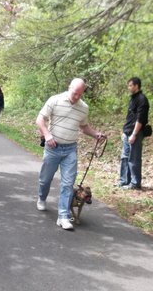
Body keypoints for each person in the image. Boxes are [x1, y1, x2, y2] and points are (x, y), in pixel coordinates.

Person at [36, 78, 106, 230]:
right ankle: (41, 197)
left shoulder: (83, 108)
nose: (76, 97)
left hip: (70, 149)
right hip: (52, 148)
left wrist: (95, 134)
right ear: (69, 88)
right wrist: (47, 135)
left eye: (80, 95)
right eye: (75, 93)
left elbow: (84, 127)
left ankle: (63, 216)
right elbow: (40, 119)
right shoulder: (55, 100)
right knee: (45, 179)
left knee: (68, 183)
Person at [117, 77, 150, 190]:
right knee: (125, 157)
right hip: (127, 132)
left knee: (134, 158)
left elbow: (140, 119)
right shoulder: (133, 99)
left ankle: (135, 183)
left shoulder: (142, 100)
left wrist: (134, 134)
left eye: (130, 85)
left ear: (136, 86)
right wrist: (125, 132)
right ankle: (124, 180)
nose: (129, 87)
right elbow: (130, 117)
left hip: (135, 133)